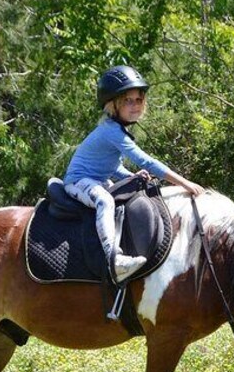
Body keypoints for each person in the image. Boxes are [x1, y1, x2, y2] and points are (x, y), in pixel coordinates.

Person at [60, 65, 205, 282]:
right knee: (106, 202)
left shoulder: (117, 130)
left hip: (96, 178)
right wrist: (184, 183)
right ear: (113, 105)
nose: (135, 105)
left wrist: (130, 176)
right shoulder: (111, 131)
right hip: (78, 181)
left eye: (138, 100)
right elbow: (145, 160)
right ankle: (114, 260)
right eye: (127, 100)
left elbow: (110, 166)